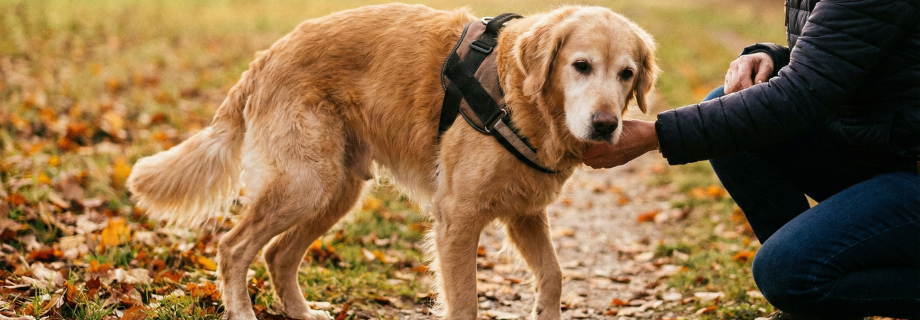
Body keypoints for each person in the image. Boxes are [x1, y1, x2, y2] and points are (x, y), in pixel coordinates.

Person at [583, 0, 920, 319]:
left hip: (907, 167)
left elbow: (800, 95)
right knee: (727, 111)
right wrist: (772, 56)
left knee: (786, 273)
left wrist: (658, 134)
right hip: (884, 152)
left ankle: (807, 282)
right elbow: (848, 47)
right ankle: (814, 298)